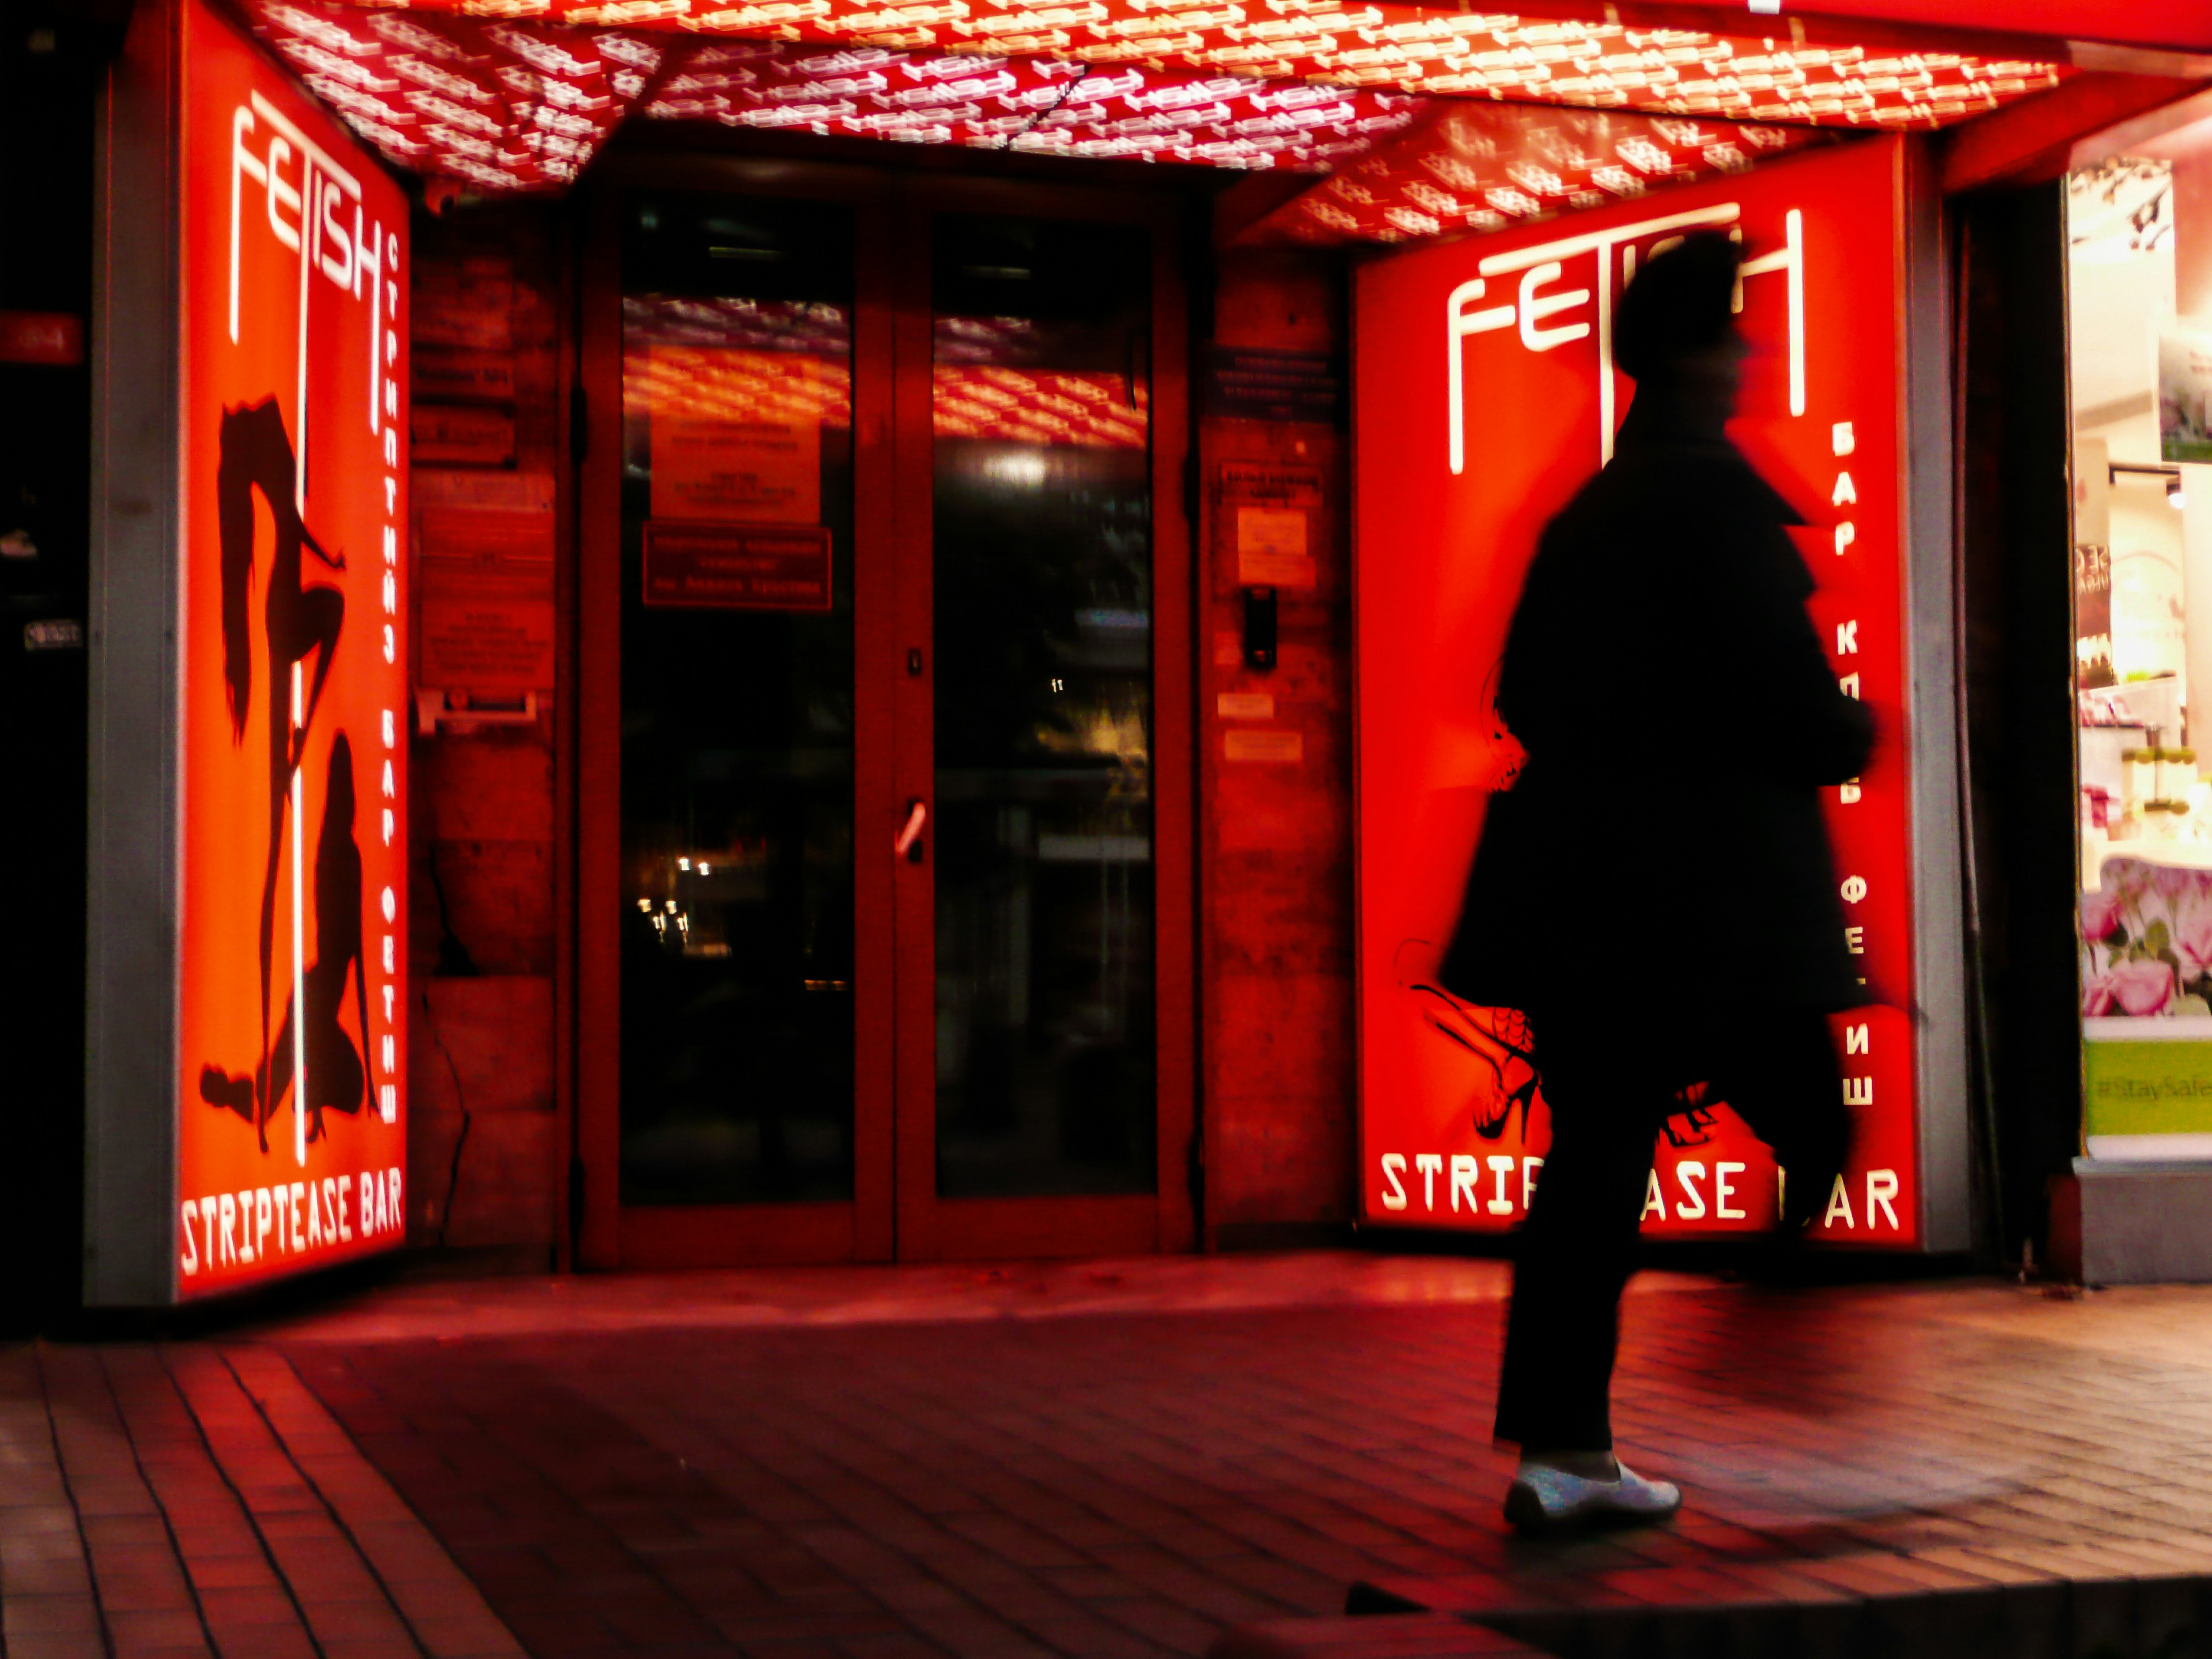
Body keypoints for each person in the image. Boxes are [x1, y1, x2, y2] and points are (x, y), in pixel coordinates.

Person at [1437, 231, 1875, 1534]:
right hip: (1706, 911)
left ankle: (1563, 1450)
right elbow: (1793, 710)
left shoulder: (1591, 516)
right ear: (1693, 355)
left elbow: (1522, 691)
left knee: (1593, 1171)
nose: (1749, 352)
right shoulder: (1713, 508)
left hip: (1590, 908)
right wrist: (1851, 734)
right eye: (1732, 334)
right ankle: (1763, 1322)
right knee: (1810, 1119)